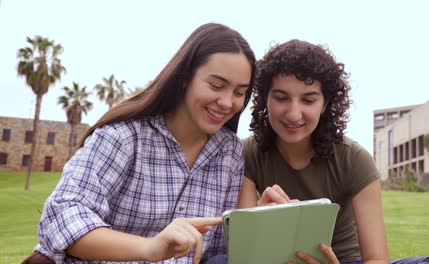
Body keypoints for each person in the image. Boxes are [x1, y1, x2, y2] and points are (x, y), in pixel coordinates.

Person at [22, 22, 256, 264]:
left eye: (239, 93)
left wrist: (262, 222)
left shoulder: (230, 151)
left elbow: (221, 249)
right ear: (185, 78)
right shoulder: (124, 136)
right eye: (216, 86)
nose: (228, 103)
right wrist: (150, 247)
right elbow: (61, 216)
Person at [237, 39, 389, 264]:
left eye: (308, 100)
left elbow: (377, 259)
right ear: (265, 98)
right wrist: (258, 218)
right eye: (281, 98)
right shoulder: (249, 152)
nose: (293, 114)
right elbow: (244, 252)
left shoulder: (354, 159)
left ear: (325, 104)